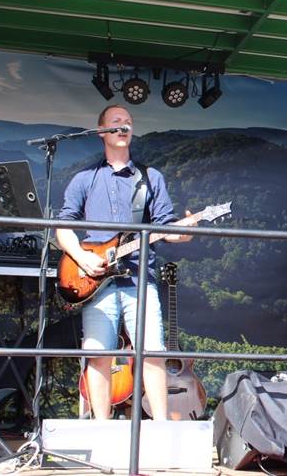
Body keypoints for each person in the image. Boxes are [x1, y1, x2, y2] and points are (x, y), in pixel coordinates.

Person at [56, 104, 194, 420]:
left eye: (128, 122)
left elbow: (166, 226)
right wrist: (81, 257)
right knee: (98, 354)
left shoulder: (150, 177)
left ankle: (161, 427)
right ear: (102, 131)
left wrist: (184, 233)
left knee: (152, 353)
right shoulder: (85, 178)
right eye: (116, 121)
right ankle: (100, 428)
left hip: (139, 278)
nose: (124, 126)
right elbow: (64, 225)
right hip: (96, 280)